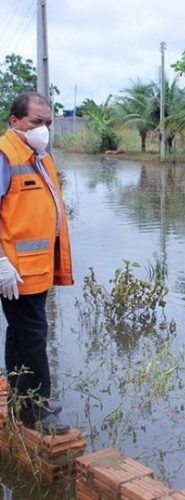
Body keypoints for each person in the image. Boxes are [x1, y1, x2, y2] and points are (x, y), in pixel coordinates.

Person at [0, 92, 73, 434]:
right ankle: (35, 411)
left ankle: (20, 398)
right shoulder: (5, 154)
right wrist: (1, 262)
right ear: (14, 121)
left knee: (21, 333)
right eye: (35, 122)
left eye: (47, 123)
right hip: (15, 269)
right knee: (33, 335)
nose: (43, 129)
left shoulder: (39, 156)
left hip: (34, 267)